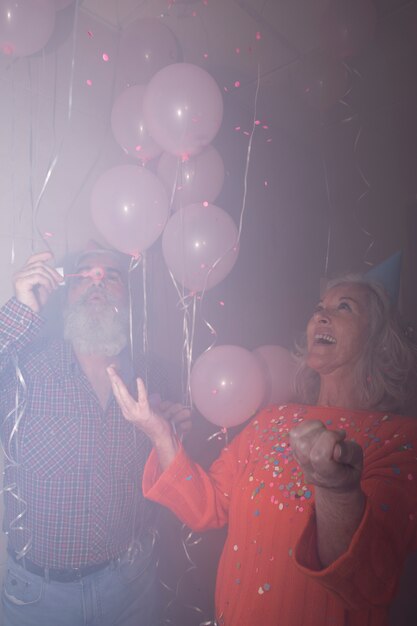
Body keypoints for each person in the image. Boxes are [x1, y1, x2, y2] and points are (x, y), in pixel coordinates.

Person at [106, 276, 417, 626]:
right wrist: (160, 434)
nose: (321, 316)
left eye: (344, 307)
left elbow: (365, 580)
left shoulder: (401, 439)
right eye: (319, 309)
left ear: (378, 337)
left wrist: (336, 490)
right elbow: (205, 508)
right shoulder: (273, 419)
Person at [0, 247, 190, 626]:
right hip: (39, 597)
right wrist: (20, 309)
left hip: (134, 583)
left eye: (111, 276)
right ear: (65, 292)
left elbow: (176, 474)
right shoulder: (25, 367)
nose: (97, 282)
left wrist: (175, 436)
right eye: (84, 275)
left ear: (128, 298)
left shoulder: (157, 376)